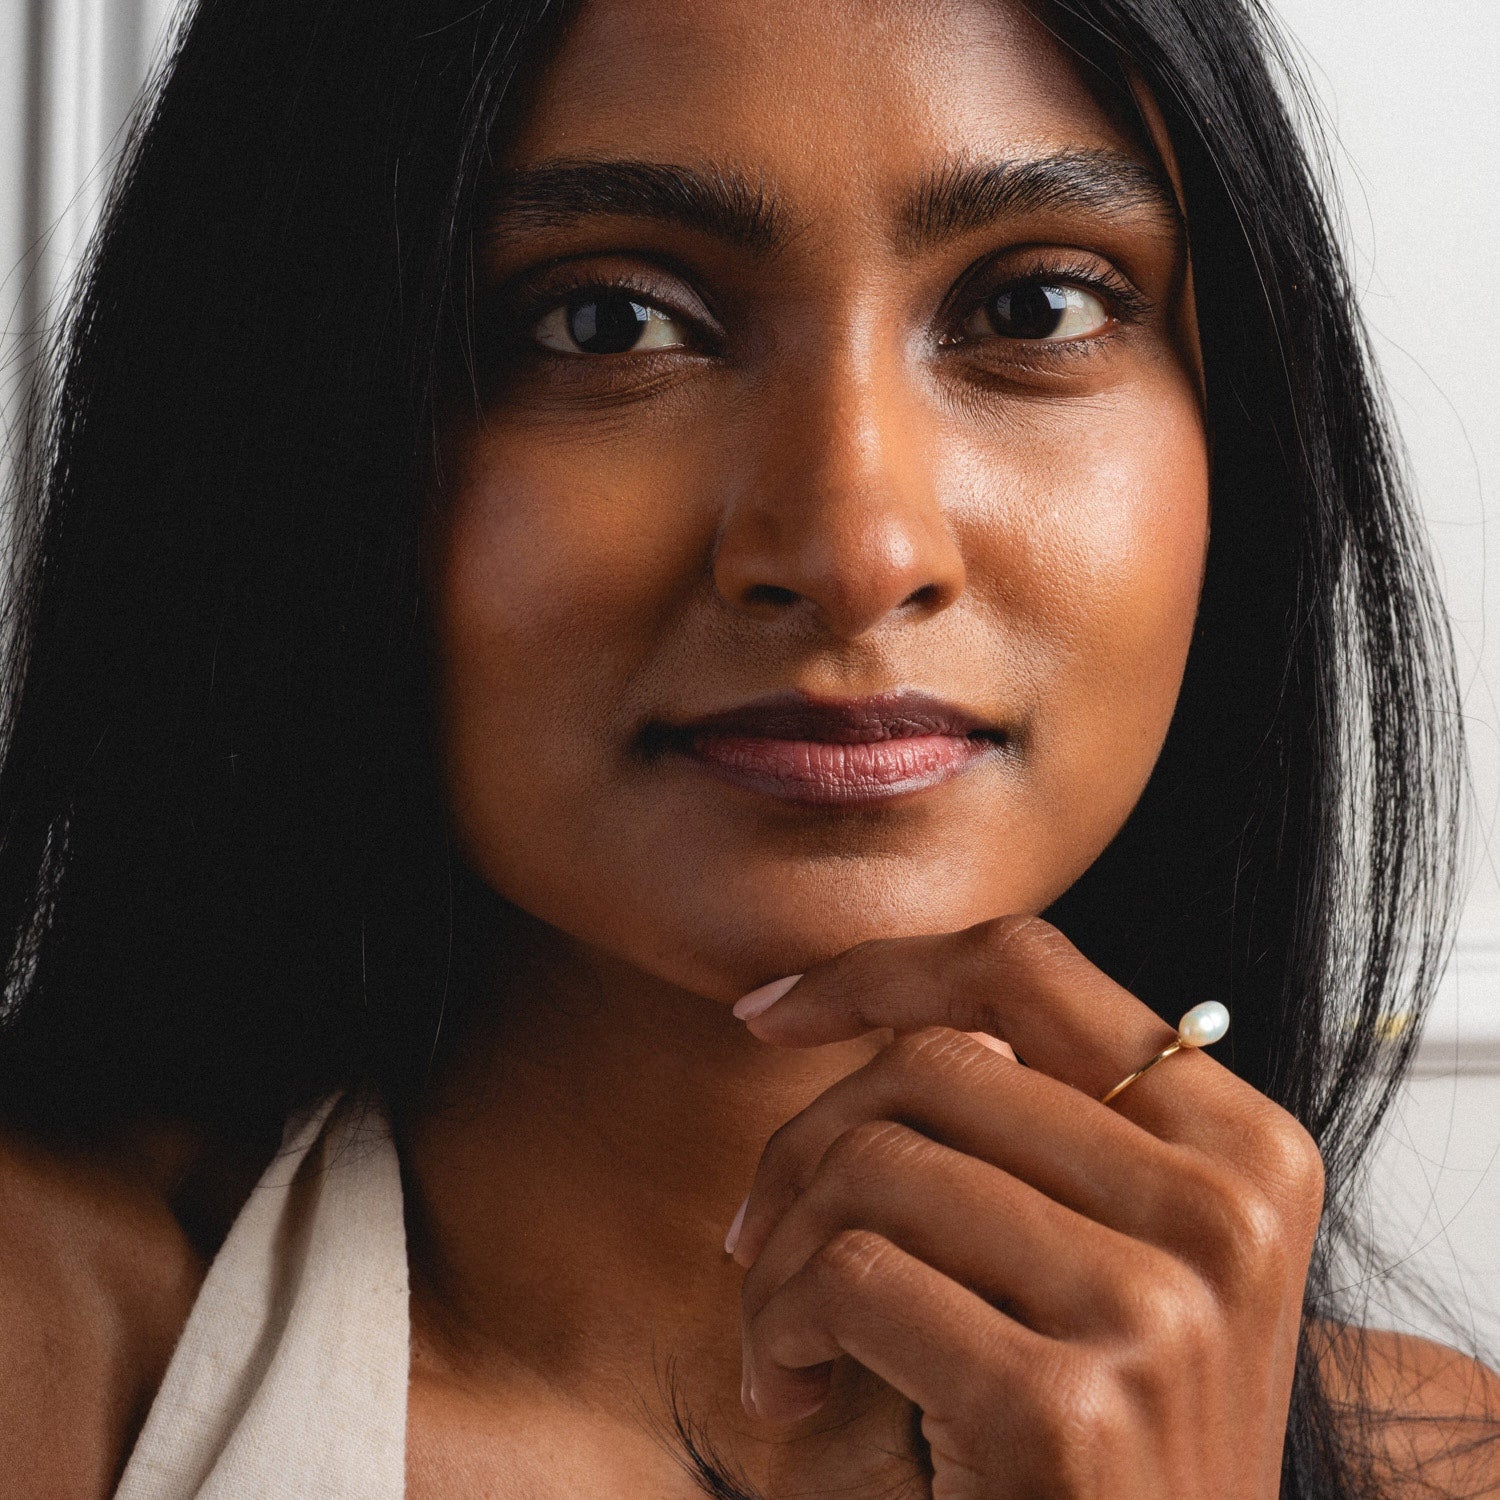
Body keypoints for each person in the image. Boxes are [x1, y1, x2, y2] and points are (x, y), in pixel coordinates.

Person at [0, 0, 1495, 1494]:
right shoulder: (51, 1351)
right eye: (608, 321)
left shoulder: (1442, 1454)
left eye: (1033, 308)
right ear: (285, 411)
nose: (857, 552)